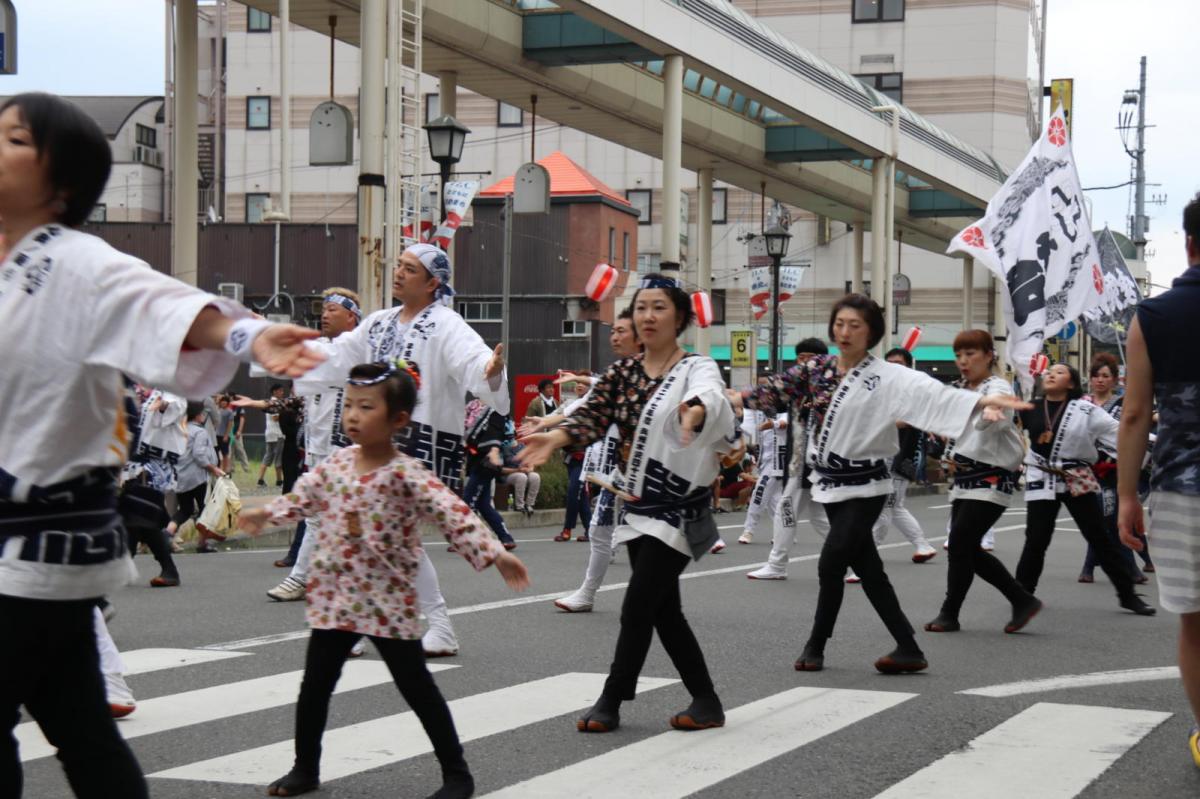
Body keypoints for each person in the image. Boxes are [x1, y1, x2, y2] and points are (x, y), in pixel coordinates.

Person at [0, 92, 322, 799]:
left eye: (16, 139)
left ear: (63, 182)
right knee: (83, 731)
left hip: (34, 540)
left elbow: (165, 306)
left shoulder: (79, 262)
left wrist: (247, 335)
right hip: (28, 550)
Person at [239, 360, 529, 799]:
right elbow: (302, 498)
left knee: (417, 688)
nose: (352, 415)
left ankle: (457, 775)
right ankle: (305, 768)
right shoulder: (335, 464)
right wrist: (265, 514)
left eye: (366, 407)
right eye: (349, 405)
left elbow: (453, 514)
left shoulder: (406, 474)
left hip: (388, 602)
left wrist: (495, 554)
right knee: (315, 685)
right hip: (334, 600)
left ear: (398, 420)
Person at [741, 294, 1029, 674]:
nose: (844, 332)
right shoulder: (818, 370)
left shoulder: (889, 375)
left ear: (871, 332)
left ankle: (816, 644)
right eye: (840, 323)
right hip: (829, 483)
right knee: (870, 570)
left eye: (855, 325)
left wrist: (983, 404)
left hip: (868, 486)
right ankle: (908, 647)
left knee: (831, 562)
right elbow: (772, 390)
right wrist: (728, 398)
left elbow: (936, 395)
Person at [519, 273, 741, 734]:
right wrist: (555, 436)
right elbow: (593, 415)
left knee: (638, 605)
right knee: (665, 611)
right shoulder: (623, 373)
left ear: (679, 317)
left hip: (680, 508)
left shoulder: (695, 367)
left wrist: (695, 410)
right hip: (639, 506)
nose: (647, 316)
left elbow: (711, 397)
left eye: (659, 307)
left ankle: (611, 699)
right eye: (641, 307)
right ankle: (707, 700)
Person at [293, 242, 509, 658]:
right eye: (399, 265)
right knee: (375, 535)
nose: (398, 272)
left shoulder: (446, 324)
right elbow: (339, 357)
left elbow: (473, 361)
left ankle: (394, 624)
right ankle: (400, 624)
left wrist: (491, 372)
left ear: (433, 283)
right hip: (378, 443)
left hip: (420, 442)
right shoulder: (378, 322)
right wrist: (281, 350)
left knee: (381, 534)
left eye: (409, 269)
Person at [1118, 194, 1200, 768]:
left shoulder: (1153, 315)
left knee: (1194, 621)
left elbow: (1134, 415)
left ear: (1188, 242)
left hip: (1180, 487)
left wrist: (1126, 495)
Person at [1013, 363, 1155, 617]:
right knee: (1036, 539)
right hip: (1042, 477)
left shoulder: (1086, 410)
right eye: (1049, 372)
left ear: (1071, 383)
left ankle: (1127, 595)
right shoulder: (1031, 408)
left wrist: (1156, 443)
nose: (1051, 374)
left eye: (1059, 372)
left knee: (1100, 537)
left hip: (1076, 476)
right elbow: (1006, 432)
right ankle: (1022, 596)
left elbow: (1118, 432)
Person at [923, 330, 1041, 634]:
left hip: (991, 476)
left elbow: (994, 419)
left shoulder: (998, 387)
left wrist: (986, 412)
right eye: (959, 355)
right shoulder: (962, 388)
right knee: (963, 546)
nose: (963, 361)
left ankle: (958, 610)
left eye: (971, 354)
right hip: (965, 477)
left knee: (962, 542)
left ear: (989, 355)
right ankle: (1013, 601)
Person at [551, 309, 642, 612]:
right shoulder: (617, 376)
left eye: (621, 330)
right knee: (599, 530)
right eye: (612, 330)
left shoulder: (661, 374)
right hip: (619, 472)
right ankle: (588, 593)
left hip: (654, 479)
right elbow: (582, 406)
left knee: (652, 545)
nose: (614, 336)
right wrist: (546, 427)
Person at [746, 338, 832, 581]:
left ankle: (777, 564)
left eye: (809, 358)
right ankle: (859, 560)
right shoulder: (796, 390)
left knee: (786, 509)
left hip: (809, 463)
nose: (803, 363)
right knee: (819, 518)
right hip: (798, 462)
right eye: (800, 358)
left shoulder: (824, 389)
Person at [1079, 352, 1151, 582]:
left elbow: (1138, 422)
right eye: (1096, 375)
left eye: (1105, 376)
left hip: (1116, 468)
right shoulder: (1081, 404)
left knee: (1110, 517)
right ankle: (1139, 561)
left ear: (1113, 379)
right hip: (1089, 469)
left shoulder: (1123, 403)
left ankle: (1118, 567)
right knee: (1103, 518)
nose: (1100, 380)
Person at [871, 348, 939, 563]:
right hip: (880, 457)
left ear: (908, 367)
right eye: (889, 363)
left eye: (898, 363)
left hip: (902, 459)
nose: (893, 367)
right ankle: (923, 545)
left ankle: (868, 557)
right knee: (894, 506)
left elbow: (908, 420)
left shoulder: (915, 391)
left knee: (885, 506)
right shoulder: (882, 390)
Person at [462, 406, 518, 550]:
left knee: (469, 501)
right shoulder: (474, 406)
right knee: (484, 505)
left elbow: (496, 435)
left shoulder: (497, 409)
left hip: (486, 462)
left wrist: (493, 450)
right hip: (476, 459)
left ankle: (467, 539)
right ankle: (505, 537)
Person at [174, 401, 226, 553]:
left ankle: (168, 533)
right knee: (206, 508)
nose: (204, 416)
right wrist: (213, 468)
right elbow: (199, 455)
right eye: (203, 413)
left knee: (185, 509)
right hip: (197, 476)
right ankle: (202, 543)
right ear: (197, 416)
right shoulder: (200, 432)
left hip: (181, 475)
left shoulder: (179, 429)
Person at [737, 406, 786, 545]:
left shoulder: (785, 413)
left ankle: (748, 531)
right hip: (765, 464)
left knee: (758, 494)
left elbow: (784, 424)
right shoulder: (759, 415)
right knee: (774, 501)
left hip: (776, 465)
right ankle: (785, 533)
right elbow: (742, 413)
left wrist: (772, 424)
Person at [554, 378, 594, 542]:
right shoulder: (569, 404)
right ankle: (590, 530)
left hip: (585, 457)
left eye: (583, 383)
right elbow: (557, 418)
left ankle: (567, 529)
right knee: (580, 495)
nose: (579, 385)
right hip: (571, 456)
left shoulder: (593, 406)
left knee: (573, 492)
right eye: (577, 382)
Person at [256, 383, 286, 488]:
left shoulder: (270, 402)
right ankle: (279, 481)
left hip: (269, 434)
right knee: (278, 459)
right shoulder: (275, 402)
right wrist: (286, 413)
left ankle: (260, 480)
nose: (282, 392)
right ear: (274, 392)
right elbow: (275, 418)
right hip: (277, 434)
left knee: (268, 457)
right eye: (280, 390)